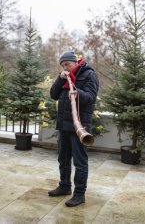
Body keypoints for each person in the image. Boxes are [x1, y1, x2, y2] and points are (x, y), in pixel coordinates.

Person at [48, 50, 99, 207]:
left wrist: (77, 93)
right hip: (64, 126)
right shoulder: (64, 76)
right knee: (62, 158)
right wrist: (59, 78)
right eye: (62, 65)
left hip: (80, 126)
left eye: (67, 64)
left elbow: (91, 97)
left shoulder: (89, 74)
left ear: (75, 62)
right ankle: (64, 186)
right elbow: (53, 95)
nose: (65, 67)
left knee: (80, 162)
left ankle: (79, 194)